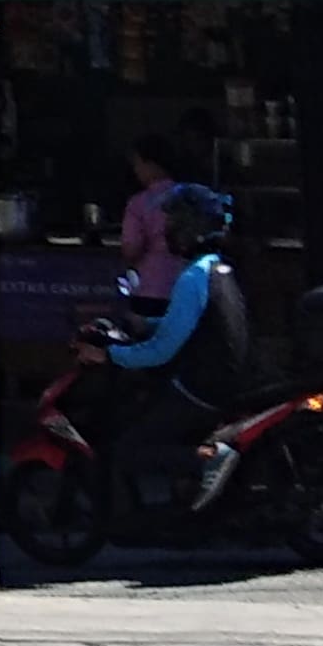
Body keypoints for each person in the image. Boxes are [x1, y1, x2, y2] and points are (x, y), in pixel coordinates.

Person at [103, 183, 253, 478]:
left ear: (189, 227)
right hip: (228, 382)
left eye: (171, 223)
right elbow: (195, 324)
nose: (166, 230)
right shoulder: (219, 268)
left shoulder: (194, 276)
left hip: (202, 389)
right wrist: (146, 325)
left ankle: (207, 460)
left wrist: (110, 354)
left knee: (129, 450)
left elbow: (161, 350)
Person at [117, 132, 188, 299]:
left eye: (137, 164)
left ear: (150, 164)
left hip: (152, 288)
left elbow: (131, 249)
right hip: (188, 287)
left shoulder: (139, 204)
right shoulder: (191, 196)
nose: (136, 171)